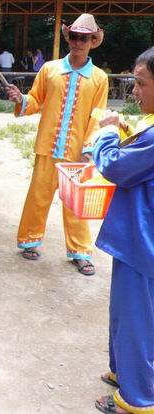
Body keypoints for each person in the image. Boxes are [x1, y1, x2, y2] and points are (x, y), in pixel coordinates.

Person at [5, 13, 108, 276]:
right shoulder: (49, 69)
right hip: (47, 148)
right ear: (68, 38)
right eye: (73, 36)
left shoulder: (99, 78)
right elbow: (35, 100)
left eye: (83, 37)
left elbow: (97, 116)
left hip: (77, 153)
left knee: (75, 204)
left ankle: (81, 252)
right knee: (38, 196)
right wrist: (21, 99)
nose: (77, 42)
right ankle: (29, 240)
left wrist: (88, 148)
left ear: (92, 40)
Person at [92, 47, 154, 414]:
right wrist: (127, 129)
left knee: (135, 319)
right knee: (127, 313)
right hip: (137, 239)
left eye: (141, 84)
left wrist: (108, 134)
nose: (134, 92)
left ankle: (138, 399)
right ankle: (125, 372)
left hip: (141, 242)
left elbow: (116, 166)